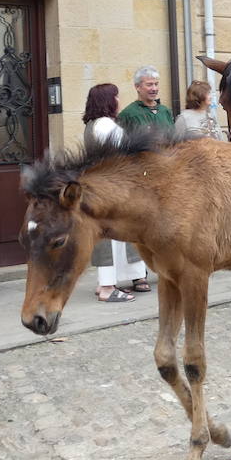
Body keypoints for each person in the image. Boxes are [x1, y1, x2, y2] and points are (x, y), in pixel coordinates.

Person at [83, 83, 149, 302]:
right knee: (111, 236)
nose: (118, 100)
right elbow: (124, 155)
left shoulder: (93, 124)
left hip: (100, 186)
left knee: (112, 236)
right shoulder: (105, 125)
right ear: (108, 101)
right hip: (111, 187)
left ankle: (107, 283)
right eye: (116, 96)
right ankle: (107, 288)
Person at [118, 66, 175, 134]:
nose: (154, 89)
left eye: (156, 84)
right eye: (149, 85)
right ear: (137, 87)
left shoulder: (165, 111)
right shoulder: (128, 114)